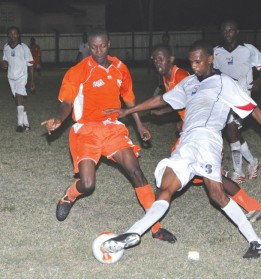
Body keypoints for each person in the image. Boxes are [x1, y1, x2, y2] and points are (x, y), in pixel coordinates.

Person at [101, 40, 261, 259]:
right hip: (186, 141)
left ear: (210, 59)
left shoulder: (225, 82)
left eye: (198, 61)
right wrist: (130, 110)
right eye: (191, 62)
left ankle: (256, 242)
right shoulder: (189, 83)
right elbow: (161, 99)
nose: (194, 66)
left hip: (207, 141)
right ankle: (133, 233)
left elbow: (255, 111)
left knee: (217, 195)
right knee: (165, 188)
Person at [41, 28, 176, 243]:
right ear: (88, 47)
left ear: (109, 44)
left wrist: (139, 125)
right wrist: (58, 119)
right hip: (86, 130)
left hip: (113, 128)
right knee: (87, 184)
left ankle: (156, 227)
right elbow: (67, 102)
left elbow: (130, 101)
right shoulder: (78, 71)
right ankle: (70, 196)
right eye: (93, 47)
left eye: (102, 46)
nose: (98, 51)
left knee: (137, 173)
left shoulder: (120, 68)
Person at [151, 44, 261, 222]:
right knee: (210, 177)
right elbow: (179, 100)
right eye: (154, 59)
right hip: (191, 135)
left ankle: (153, 221)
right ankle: (254, 207)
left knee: (207, 178)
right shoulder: (167, 78)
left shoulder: (181, 76)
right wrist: (169, 113)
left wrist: (182, 119)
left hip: (200, 135)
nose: (157, 63)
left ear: (170, 60)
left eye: (161, 59)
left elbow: (196, 100)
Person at [213, 19, 261, 184]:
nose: (227, 33)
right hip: (224, 97)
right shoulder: (216, 52)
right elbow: (212, 72)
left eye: (231, 30)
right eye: (224, 30)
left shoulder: (248, 49)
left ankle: (238, 172)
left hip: (243, 97)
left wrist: (259, 81)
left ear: (237, 32)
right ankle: (253, 162)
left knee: (231, 130)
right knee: (233, 133)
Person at [1, 26, 35, 132]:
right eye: (11, 33)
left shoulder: (24, 47)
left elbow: (30, 64)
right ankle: (27, 124)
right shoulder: (6, 47)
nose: (13, 35)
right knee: (17, 101)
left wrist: (32, 81)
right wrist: (3, 64)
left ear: (18, 35)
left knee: (19, 97)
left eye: (15, 33)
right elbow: (4, 60)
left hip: (22, 76)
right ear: (8, 35)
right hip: (11, 77)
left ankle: (20, 124)